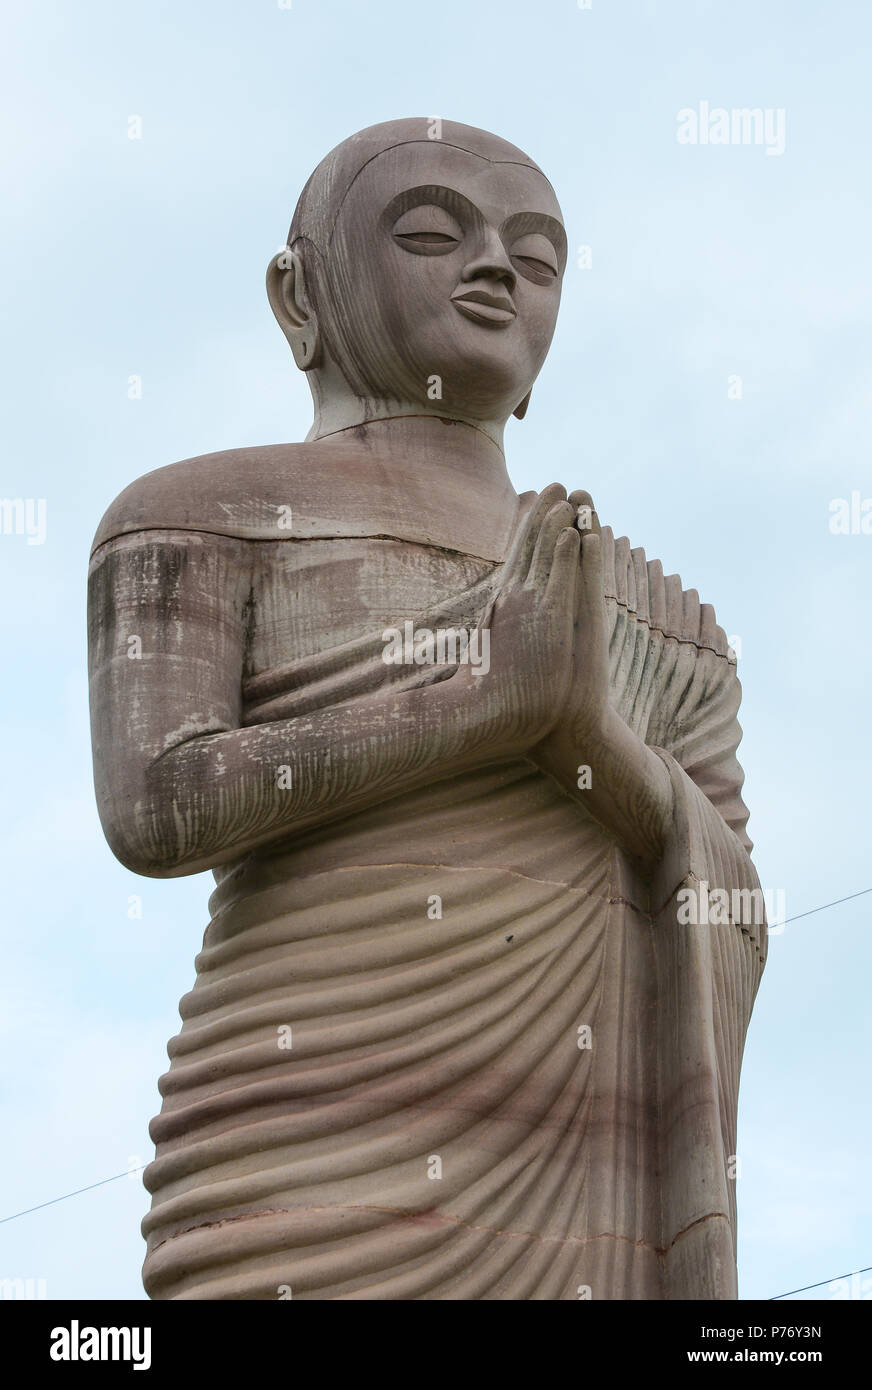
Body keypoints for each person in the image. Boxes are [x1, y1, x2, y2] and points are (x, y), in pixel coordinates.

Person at [88, 119, 766, 1299]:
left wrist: (591, 744)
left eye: (538, 255)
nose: (497, 267)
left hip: (581, 1169)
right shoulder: (199, 515)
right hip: (307, 1135)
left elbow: (726, 902)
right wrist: (478, 705)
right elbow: (158, 804)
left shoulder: (662, 618)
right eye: (429, 232)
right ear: (299, 298)